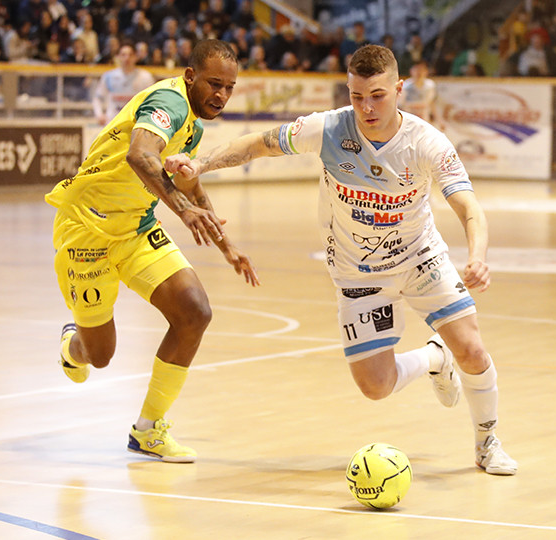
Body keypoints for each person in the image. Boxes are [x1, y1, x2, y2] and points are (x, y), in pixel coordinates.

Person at [165, 44, 517, 475]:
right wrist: (198, 164)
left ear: (399, 89)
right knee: (376, 386)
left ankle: (487, 443)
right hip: (357, 272)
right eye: (356, 96)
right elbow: (257, 145)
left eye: (377, 95)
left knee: (473, 349)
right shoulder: (329, 129)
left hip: (419, 258)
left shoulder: (427, 143)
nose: (366, 107)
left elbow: (469, 209)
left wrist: (477, 256)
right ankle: (432, 358)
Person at [45, 39, 259, 464]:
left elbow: (189, 183)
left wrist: (227, 245)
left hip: (136, 229)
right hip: (86, 229)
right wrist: (181, 210)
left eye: (230, 87)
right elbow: (139, 155)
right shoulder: (169, 102)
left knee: (194, 311)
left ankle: (148, 430)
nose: (221, 95)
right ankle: (75, 346)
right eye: (214, 83)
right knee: (99, 356)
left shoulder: (194, 125)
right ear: (190, 76)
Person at [92, 42, 156, 125]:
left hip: (136, 123)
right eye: (123, 55)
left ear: (136, 57)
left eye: (130, 55)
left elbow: (154, 100)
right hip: (112, 123)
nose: (127, 58)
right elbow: (98, 98)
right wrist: (99, 115)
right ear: (117, 57)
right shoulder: (108, 76)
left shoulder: (146, 77)